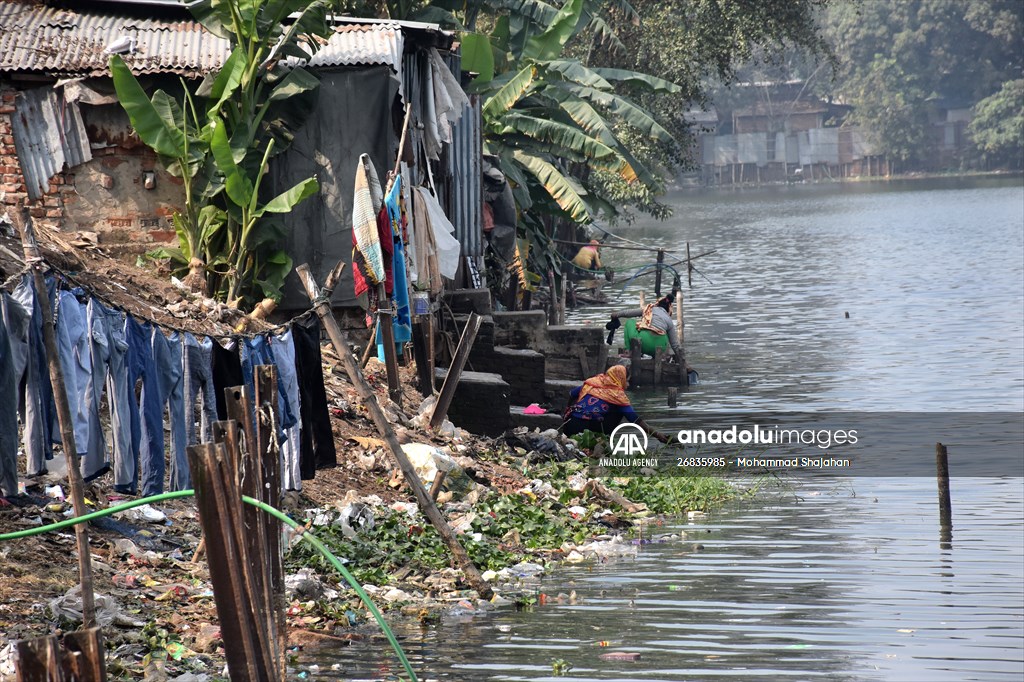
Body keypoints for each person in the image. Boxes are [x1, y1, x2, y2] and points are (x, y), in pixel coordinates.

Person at [561, 364, 668, 442]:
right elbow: (635, 419)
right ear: (621, 379)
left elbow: (572, 394)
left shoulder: (592, 383)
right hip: (590, 429)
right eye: (627, 381)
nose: (628, 384)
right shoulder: (617, 395)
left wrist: (567, 409)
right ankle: (604, 439)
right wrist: (658, 435)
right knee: (620, 410)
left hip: (570, 425)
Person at [612, 294, 683, 362]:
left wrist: (616, 315)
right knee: (664, 333)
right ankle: (656, 356)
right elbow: (675, 345)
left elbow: (628, 313)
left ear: (657, 304)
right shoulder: (669, 320)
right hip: (660, 348)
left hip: (644, 343)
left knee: (630, 322)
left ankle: (629, 352)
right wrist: (683, 362)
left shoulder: (648, 309)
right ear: (668, 309)